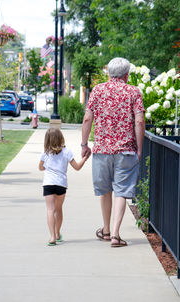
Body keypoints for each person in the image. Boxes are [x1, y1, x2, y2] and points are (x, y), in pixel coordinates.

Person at [81, 57, 145, 247]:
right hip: (126, 151)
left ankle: (106, 230)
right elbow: (139, 121)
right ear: (127, 75)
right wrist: (139, 149)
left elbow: (87, 119)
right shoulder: (133, 92)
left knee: (105, 190)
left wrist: (84, 144)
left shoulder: (98, 90)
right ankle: (116, 235)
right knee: (122, 192)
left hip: (102, 150)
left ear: (108, 73)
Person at [39, 128, 88, 246]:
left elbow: (40, 168)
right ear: (61, 138)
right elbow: (77, 167)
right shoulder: (67, 152)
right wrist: (85, 158)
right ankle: (57, 233)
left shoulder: (45, 154)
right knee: (58, 209)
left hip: (48, 184)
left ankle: (52, 237)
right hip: (61, 184)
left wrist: (48, 168)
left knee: (50, 210)